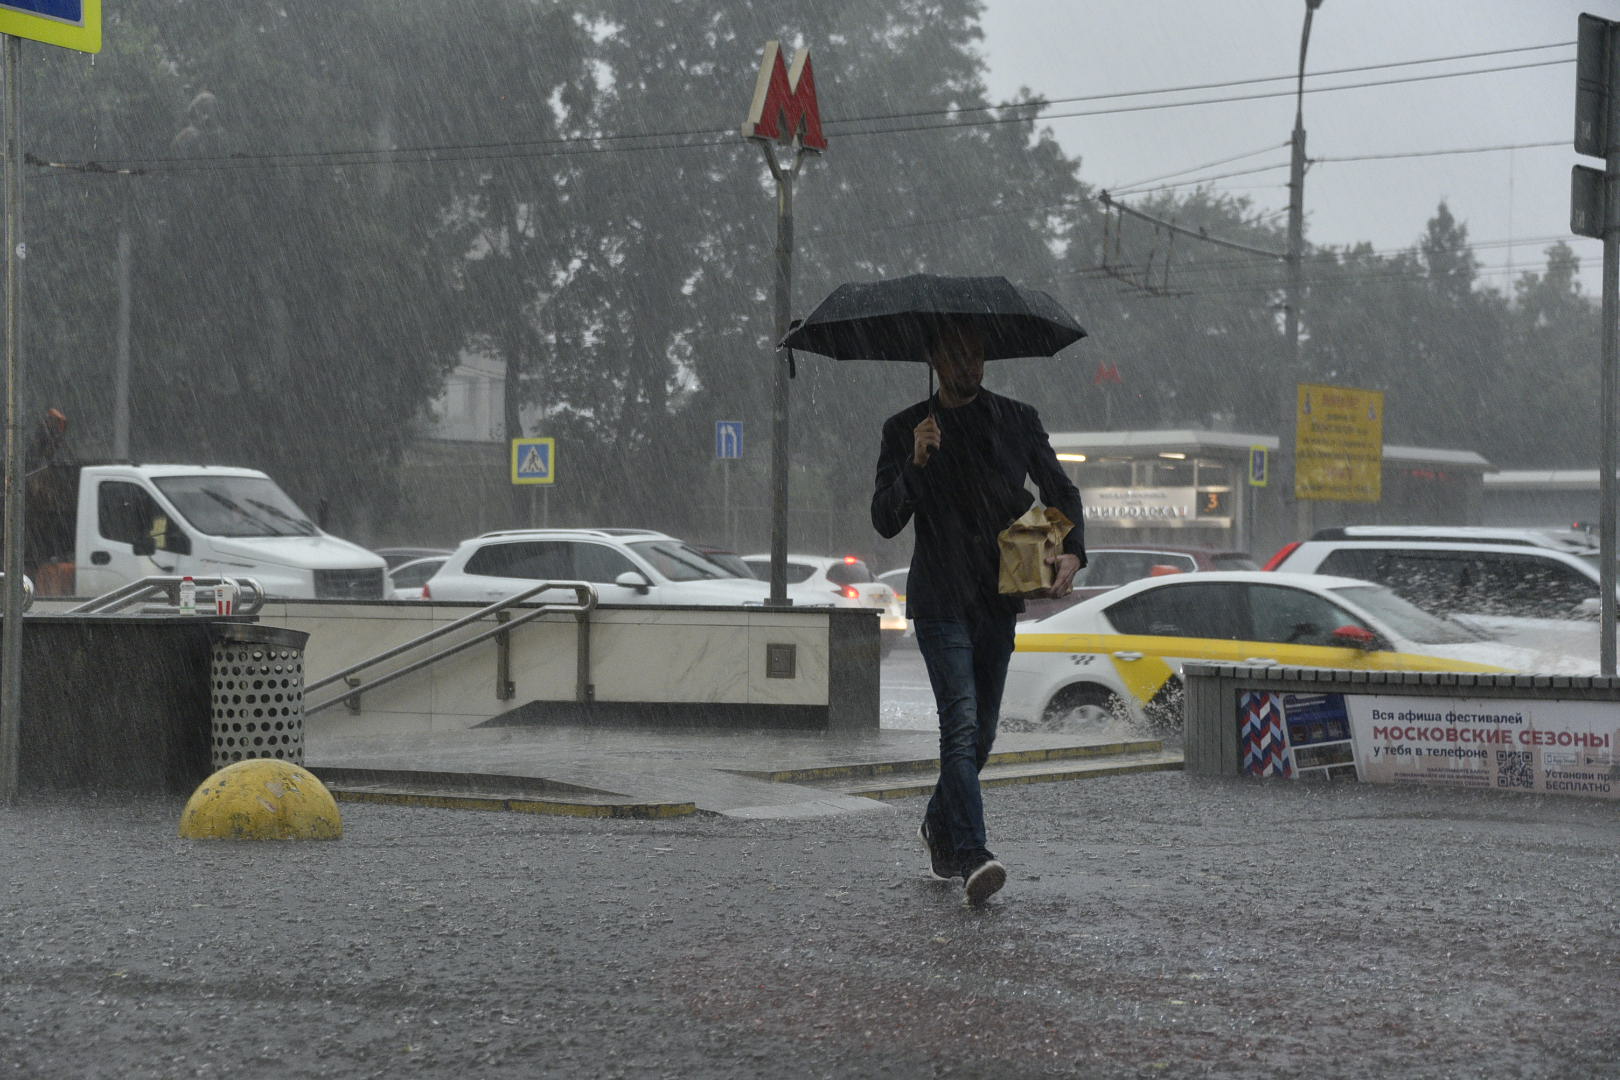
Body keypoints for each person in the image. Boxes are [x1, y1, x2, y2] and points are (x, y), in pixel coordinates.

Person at [871, 319, 1086, 905]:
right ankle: (972, 854)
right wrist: (916, 464)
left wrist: (1070, 551)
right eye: (957, 354)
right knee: (960, 724)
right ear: (935, 359)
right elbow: (885, 518)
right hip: (939, 598)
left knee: (983, 733)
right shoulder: (906, 430)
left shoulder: (1016, 419)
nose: (969, 364)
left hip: (997, 597)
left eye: (977, 354)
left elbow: (1061, 494)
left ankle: (938, 823)